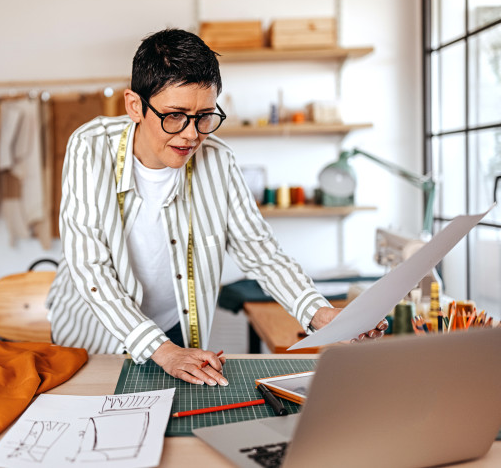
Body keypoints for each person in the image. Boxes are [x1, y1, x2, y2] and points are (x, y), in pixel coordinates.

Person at [46, 28, 387, 386]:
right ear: (135, 106)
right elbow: (90, 267)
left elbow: (262, 254)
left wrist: (318, 313)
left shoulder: (219, 162)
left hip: (172, 331)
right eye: (175, 116)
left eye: (204, 116)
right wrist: (161, 350)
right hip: (91, 336)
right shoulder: (89, 148)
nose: (192, 135)